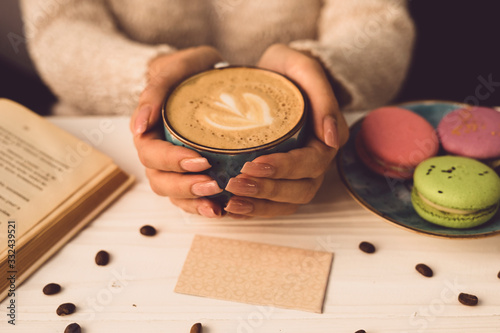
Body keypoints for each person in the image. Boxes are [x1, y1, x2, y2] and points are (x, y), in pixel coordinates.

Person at [20, 0, 415, 218]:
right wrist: (146, 82)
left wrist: (324, 73)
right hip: (98, 150)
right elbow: (58, 24)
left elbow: (378, 19)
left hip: (332, 180)